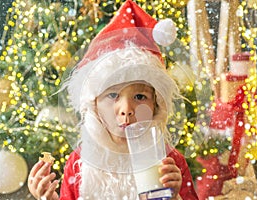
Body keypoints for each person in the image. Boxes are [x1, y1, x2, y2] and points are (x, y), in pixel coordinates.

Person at [28, 0, 198, 199]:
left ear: (156, 105)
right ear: (93, 105)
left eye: (139, 96)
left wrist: (175, 196)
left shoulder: (169, 161)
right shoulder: (80, 162)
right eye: (112, 95)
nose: (126, 109)